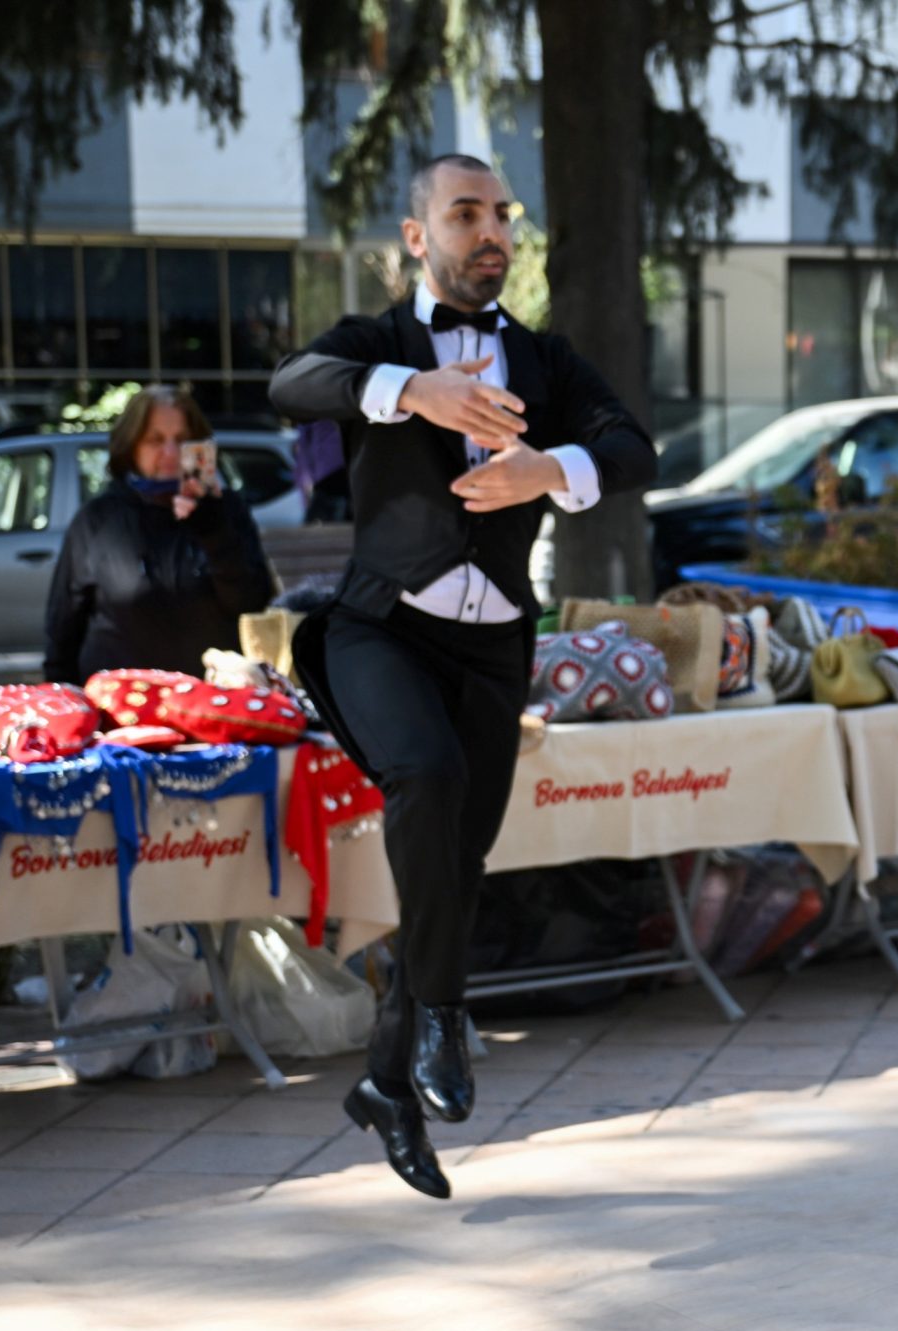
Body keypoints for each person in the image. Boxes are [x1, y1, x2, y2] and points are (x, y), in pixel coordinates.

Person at [270, 154, 654, 1200]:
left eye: (501, 215)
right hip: (377, 629)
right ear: (416, 235)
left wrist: (550, 470)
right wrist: (414, 391)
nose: (490, 232)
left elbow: (632, 447)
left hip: (495, 651)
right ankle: (443, 1014)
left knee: (454, 870)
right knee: (425, 779)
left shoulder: (543, 359)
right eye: (465, 213)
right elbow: (289, 384)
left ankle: (387, 1084)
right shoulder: (379, 344)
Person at [42, 385, 275, 684]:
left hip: (215, 706)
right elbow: (61, 634)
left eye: (181, 440)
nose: (170, 452)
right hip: (124, 709)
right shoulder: (97, 519)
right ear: (131, 446)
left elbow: (252, 607)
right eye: (155, 440)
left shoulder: (225, 510)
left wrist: (213, 530)